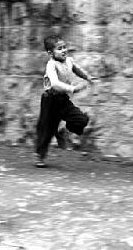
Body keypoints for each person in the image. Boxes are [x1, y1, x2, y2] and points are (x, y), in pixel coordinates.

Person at [34, 35, 94, 167]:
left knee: (81, 120)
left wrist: (88, 77)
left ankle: (64, 130)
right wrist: (73, 89)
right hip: (50, 100)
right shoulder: (51, 65)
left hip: (63, 100)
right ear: (50, 53)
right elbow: (54, 84)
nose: (63, 50)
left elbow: (77, 69)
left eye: (64, 47)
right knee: (46, 129)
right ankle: (40, 156)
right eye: (59, 49)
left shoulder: (69, 61)